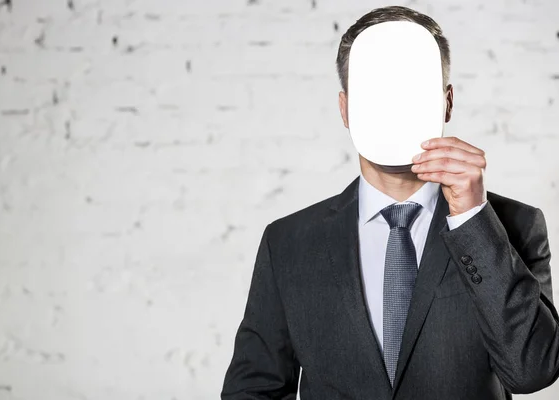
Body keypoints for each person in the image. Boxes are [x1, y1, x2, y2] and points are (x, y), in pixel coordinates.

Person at [220, 6, 559, 399]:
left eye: (411, 91)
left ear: (446, 102)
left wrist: (472, 220)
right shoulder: (288, 243)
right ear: (345, 109)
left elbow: (532, 372)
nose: (393, 106)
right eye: (376, 92)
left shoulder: (514, 225)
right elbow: (252, 389)